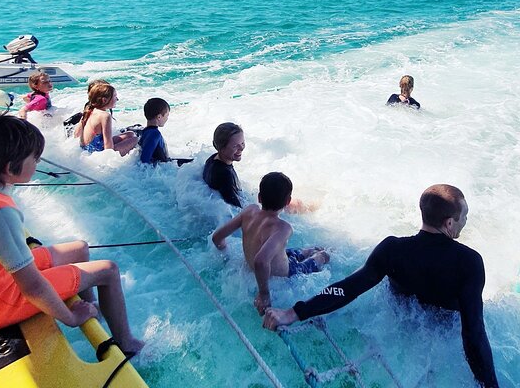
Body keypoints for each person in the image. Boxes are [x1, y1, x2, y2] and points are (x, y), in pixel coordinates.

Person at [263, 184, 499, 387]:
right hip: (439, 337)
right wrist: (490, 385)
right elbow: (473, 331)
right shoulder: (469, 262)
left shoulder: (393, 249)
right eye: (464, 216)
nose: (466, 221)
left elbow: (348, 288)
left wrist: (294, 312)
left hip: (399, 324)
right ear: (449, 222)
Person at [0, 114, 144, 355]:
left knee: (80, 248)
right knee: (108, 270)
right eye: (34, 158)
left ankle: (92, 310)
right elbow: (32, 287)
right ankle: (127, 344)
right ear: (9, 168)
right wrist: (70, 317)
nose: (37, 163)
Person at [212, 172, 329, 314]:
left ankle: (312, 251)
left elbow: (217, 237)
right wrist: (264, 294)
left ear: (259, 197)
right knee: (323, 255)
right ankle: (328, 251)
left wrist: (225, 254)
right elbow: (261, 261)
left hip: (282, 258)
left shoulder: (249, 211)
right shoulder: (283, 228)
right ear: (288, 202)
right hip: (289, 273)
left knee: (304, 251)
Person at [79, 83, 137, 156]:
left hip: (89, 149)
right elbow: (108, 147)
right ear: (104, 100)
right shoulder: (105, 116)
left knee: (130, 134)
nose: (117, 99)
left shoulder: (91, 110)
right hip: (97, 153)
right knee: (134, 140)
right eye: (115, 96)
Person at [203, 122, 245, 207]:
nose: (241, 148)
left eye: (242, 143)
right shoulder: (224, 176)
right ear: (222, 148)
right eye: (235, 146)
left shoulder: (212, 158)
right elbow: (237, 209)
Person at [139, 98, 171, 165]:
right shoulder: (155, 134)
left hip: (163, 165)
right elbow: (144, 160)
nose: (167, 118)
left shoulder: (145, 132)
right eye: (167, 115)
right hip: (163, 168)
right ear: (159, 117)